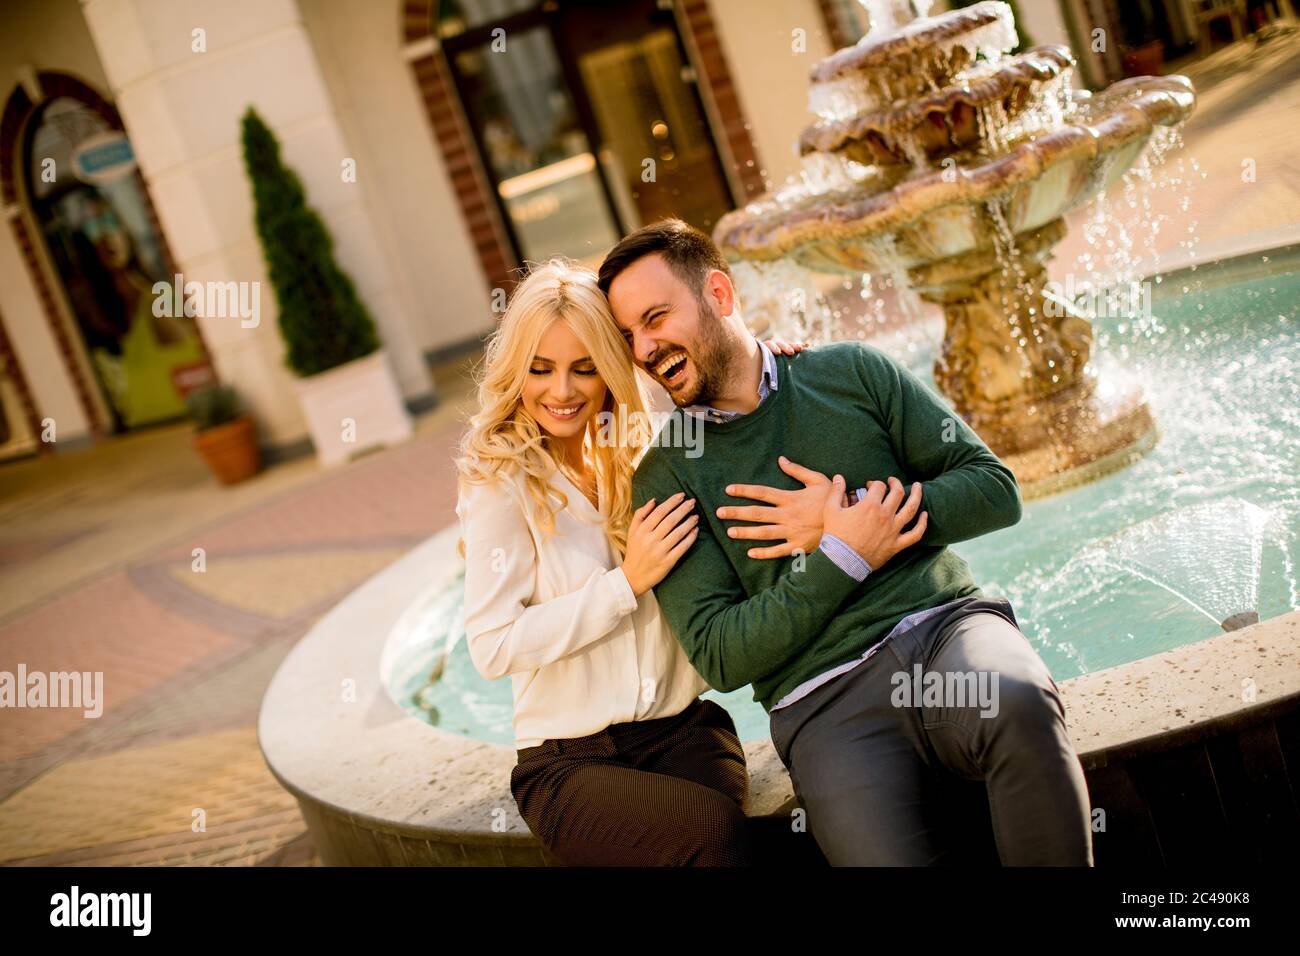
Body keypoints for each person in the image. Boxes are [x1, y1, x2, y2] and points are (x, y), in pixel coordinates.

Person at [598, 219, 1095, 866]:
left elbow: (993, 491)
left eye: (657, 317)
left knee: (1021, 705)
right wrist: (844, 553)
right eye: (630, 334)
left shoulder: (852, 371)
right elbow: (721, 654)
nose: (645, 347)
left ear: (718, 294)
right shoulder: (666, 475)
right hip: (822, 700)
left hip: (945, 631)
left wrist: (853, 513)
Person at [453, 257, 808, 866]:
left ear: (610, 369)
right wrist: (626, 583)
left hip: (686, 732)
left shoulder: (647, 447)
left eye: (584, 369)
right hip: (570, 762)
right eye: (541, 369)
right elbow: (492, 646)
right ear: (517, 370)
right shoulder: (502, 479)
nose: (561, 392)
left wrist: (762, 367)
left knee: (728, 839)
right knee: (712, 838)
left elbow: (720, 393)